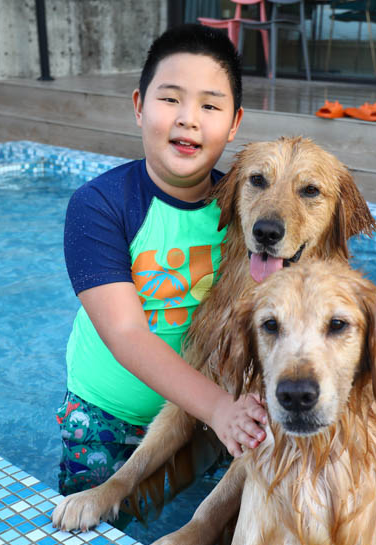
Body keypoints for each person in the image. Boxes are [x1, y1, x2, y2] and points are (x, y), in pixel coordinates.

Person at [57, 24, 268, 495]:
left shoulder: (245, 211)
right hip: (107, 413)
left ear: (234, 123)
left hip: (201, 415)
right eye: (170, 99)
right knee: (87, 521)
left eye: (210, 106)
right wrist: (219, 407)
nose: (188, 119)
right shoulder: (99, 206)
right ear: (139, 106)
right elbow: (126, 333)